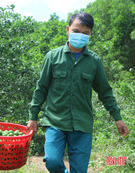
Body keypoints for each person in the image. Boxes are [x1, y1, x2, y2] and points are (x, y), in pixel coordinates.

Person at [27, 12, 129, 173]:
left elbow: (105, 92)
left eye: (85, 33)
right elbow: (41, 88)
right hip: (55, 121)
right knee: (52, 162)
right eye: (76, 31)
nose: (80, 35)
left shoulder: (94, 62)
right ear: (68, 29)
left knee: (80, 170)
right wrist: (33, 117)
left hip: (82, 124)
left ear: (90, 34)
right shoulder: (52, 57)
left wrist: (118, 118)